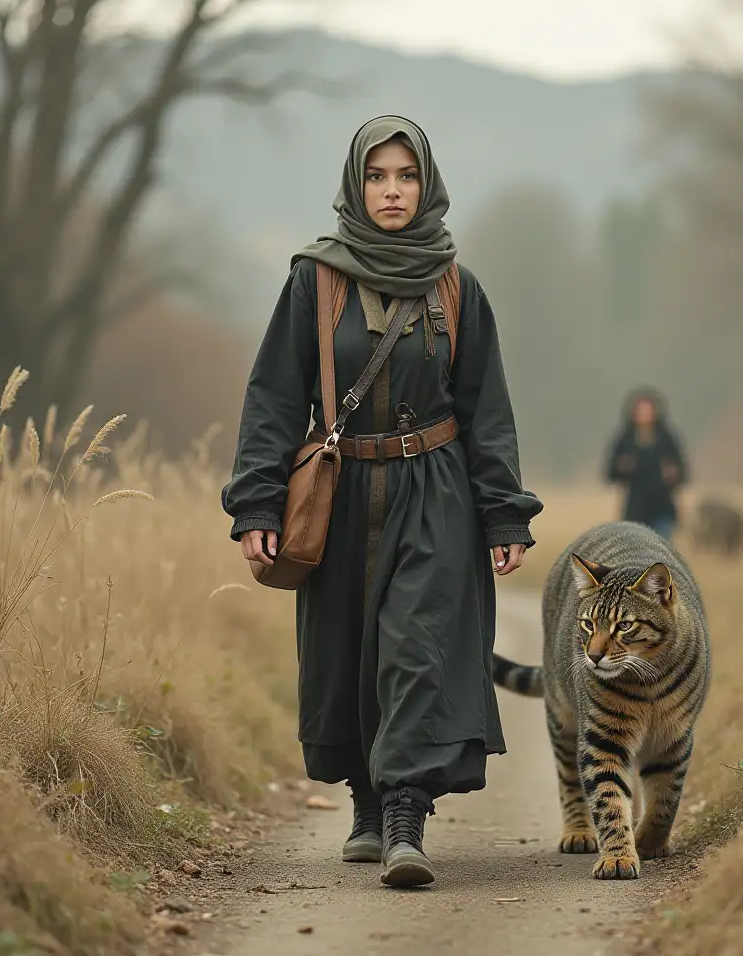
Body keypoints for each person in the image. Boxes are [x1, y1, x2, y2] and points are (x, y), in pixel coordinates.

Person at [222, 115, 542, 889]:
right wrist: (258, 506)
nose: (391, 191)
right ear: (355, 186)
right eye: (377, 177)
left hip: (435, 491)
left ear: (426, 184)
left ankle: (405, 817)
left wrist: (503, 513)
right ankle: (366, 805)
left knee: (416, 650)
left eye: (405, 176)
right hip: (341, 491)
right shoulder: (314, 280)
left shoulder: (457, 287)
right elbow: (273, 398)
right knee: (348, 656)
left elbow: (486, 410)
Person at [604, 388, 687, 542]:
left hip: (662, 508)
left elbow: (682, 472)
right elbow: (610, 473)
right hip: (635, 510)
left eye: (648, 411)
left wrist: (673, 474)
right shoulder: (626, 439)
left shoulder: (667, 439)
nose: (645, 415)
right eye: (641, 411)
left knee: (661, 555)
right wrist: (623, 468)